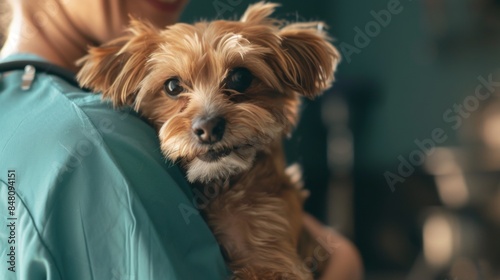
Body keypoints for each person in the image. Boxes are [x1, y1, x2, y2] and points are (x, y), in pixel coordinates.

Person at [0, 0, 363, 279]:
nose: (206, 122)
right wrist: (345, 262)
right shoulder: (97, 141)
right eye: (175, 87)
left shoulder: (16, 107)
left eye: (237, 80)